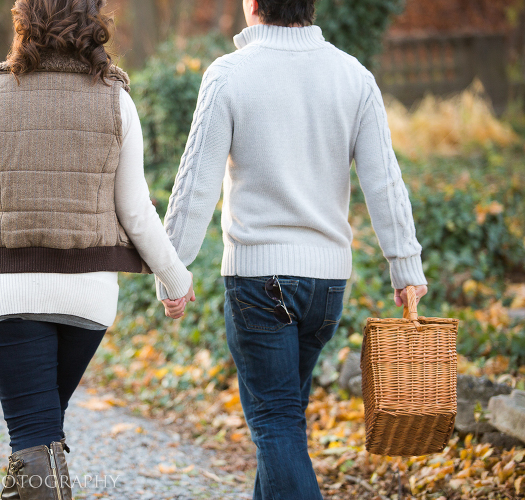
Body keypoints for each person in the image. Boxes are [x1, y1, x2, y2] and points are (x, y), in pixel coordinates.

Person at [156, 0, 429, 498]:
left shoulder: (229, 75)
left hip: (258, 281)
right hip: (326, 287)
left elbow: (196, 183)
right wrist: (405, 265)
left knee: (276, 423)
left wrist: (171, 266)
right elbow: (383, 181)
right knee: (284, 420)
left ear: (255, 3)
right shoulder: (353, 76)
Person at [0, 1, 193, 498]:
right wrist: (174, 279)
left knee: (34, 435)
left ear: (24, 21)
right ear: (94, 22)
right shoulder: (115, 98)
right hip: (88, 297)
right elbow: (136, 209)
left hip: (5, 291)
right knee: (41, 432)